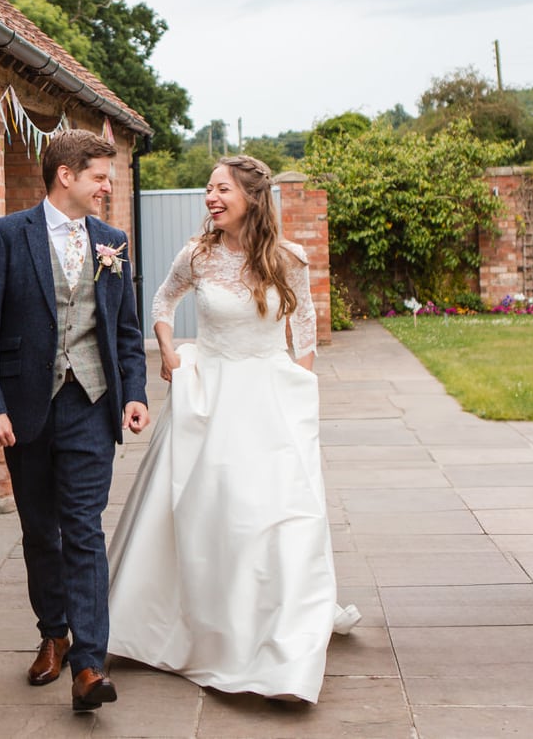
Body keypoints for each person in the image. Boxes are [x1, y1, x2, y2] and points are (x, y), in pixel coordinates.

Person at [106, 154, 359, 703]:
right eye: (208, 189)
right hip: (210, 397)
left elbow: (306, 333)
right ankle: (204, 623)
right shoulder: (197, 256)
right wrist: (169, 351)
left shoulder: (288, 259)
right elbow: (163, 299)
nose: (210, 198)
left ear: (250, 196)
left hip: (268, 400)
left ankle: (280, 633)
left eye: (221, 189)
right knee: (211, 510)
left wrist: (297, 396)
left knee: (279, 516)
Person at [0, 129, 151, 712]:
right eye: (99, 175)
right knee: (42, 529)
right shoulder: (5, 235)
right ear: (65, 175)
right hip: (25, 408)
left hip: (90, 404)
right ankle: (54, 633)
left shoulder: (112, 241)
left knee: (85, 527)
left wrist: (135, 393)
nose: (108, 185)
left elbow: (124, 329)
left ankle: (90, 663)